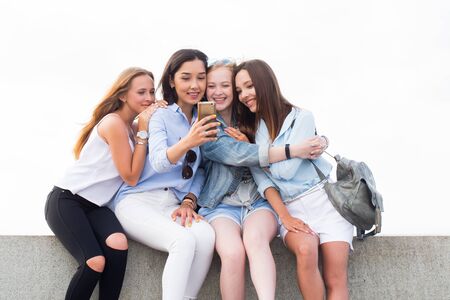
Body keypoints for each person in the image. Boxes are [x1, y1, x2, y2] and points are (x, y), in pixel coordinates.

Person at [198, 59, 328, 300]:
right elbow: (236, 154)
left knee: (256, 240)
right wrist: (294, 150)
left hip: (260, 201)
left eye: (227, 86)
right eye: (212, 86)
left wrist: (319, 142)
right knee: (233, 252)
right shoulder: (205, 125)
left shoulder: (253, 116)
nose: (218, 92)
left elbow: (287, 127)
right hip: (221, 205)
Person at [234, 59, 354, 300]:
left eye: (249, 86)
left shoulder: (302, 117)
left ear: (265, 83)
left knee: (335, 278)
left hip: (325, 205)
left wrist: (262, 158)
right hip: (289, 208)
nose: (244, 95)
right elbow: (265, 183)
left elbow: (285, 173)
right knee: (305, 249)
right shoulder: (252, 130)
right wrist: (285, 216)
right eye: (239, 91)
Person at [44, 67, 166, 300]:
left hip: (97, 206)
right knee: (94, 262)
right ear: (123, 95)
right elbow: (131, 176)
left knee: (118, 243)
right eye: (141, 92)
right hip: (67, 200)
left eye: (152, 91)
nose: (149, 98)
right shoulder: (114, 124)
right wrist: (143, 131)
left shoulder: (131, 129)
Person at [111, 49, 217, 300]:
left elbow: (201, 170)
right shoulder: (160, 115)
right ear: (172, 81)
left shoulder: (205, 118)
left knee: (205, 236)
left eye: (201, 78)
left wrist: (190, 200)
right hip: (137, 201)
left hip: (172, 204)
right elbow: (159, 161)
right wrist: (189, 141)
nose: (195, 85)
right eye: (186, 77)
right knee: (183, 242)